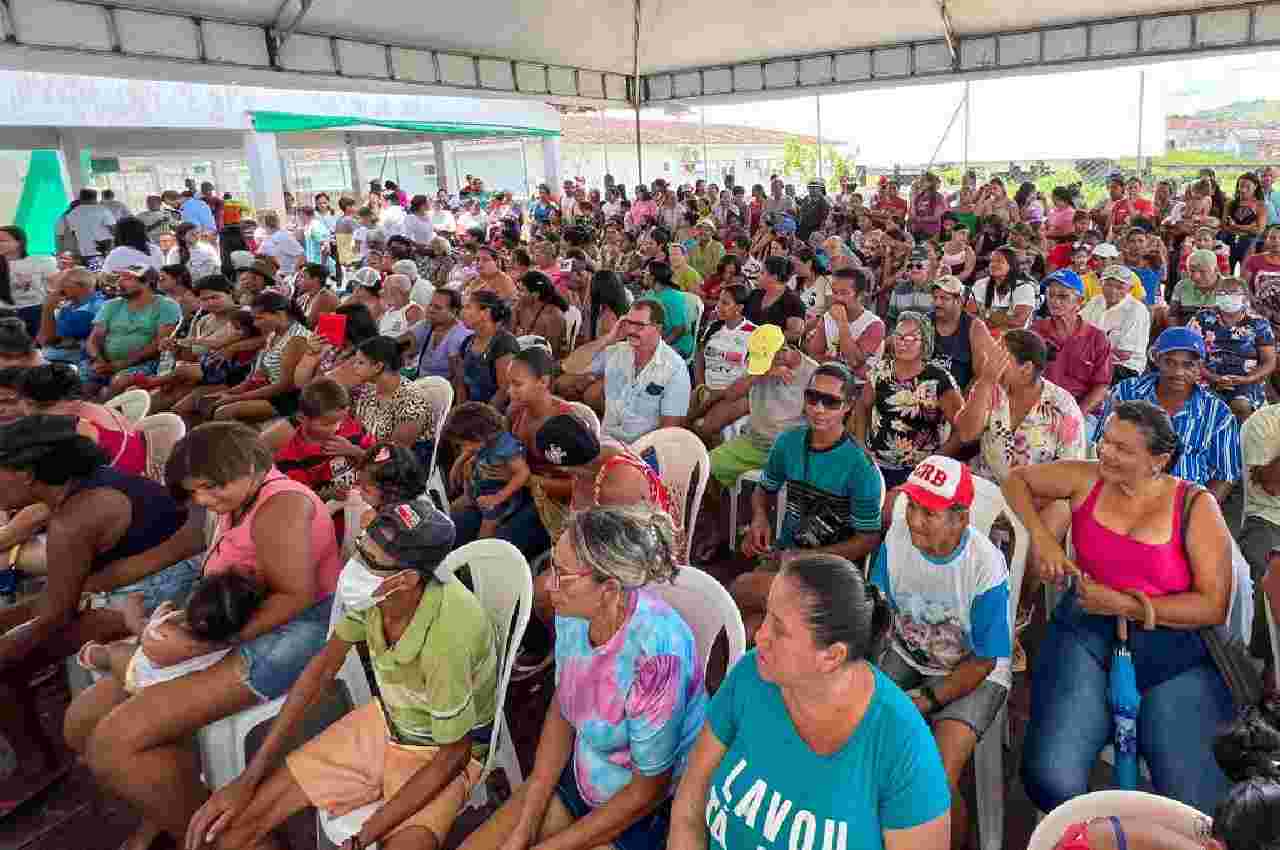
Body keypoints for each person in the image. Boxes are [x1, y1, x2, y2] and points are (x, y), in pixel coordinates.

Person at [72, 421, 338, 850]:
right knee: (82, 722)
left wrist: (204, 642)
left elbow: (295, 595)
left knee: (113, 745)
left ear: (250, 467)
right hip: (239, 623)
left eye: (213, 488)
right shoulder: (240, 499)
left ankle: (238, 840)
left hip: (290, 633)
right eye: (196, 492)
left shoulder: (280, 507)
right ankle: (173, 810)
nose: (204, 501)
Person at [189, 496, 495, 850]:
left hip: (441, 752)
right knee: (229, 834)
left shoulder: (449, 635)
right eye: (362, 547)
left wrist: (365, 836)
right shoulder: (376, 597)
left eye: (370, 561)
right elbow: (321, 669)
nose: (355, 563)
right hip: (387, 722)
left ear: (408, 579)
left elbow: (453, 754)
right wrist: (249, 777)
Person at [1005, 399, 1235, 814]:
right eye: (1106, 441)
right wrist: (1042, 539)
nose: (1105, 453)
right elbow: (1016, 481)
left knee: (1196, 803)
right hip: (1088, 631)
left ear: (1158, 460)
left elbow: (1213, 606)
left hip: (1173, 649)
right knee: (1051, 778)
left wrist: (1127, 605)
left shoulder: (1195, 506)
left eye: (1123, 449)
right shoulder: (1085, 478)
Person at [458, 505, 707, 850]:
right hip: (586, 772)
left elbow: (646, 790)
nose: (547, 585)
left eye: (562, 573)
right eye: (551, 567)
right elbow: (564, 707)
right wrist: (526, 825)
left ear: (608, 590)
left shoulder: (658, 657)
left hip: (643, 810)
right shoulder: (574, 613)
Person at [667, 555, 951, 850]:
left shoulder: (902, 747)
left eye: (779, 629)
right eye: (766, 616)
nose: (760, 635)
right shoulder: (752, 675)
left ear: (832, 656)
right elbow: (689, 805)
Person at [0, 415, 199, 789]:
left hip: (152, 603)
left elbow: (53, 615)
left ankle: (35, 766)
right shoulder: (93, 482)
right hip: (162, 584)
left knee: (5, 663)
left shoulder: (75, 519)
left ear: (26, 473)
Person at [871, 456, 1012, 850]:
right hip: (906, 652)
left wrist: (929, 699)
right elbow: (878, 610)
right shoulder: (897, 538)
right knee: (857, 737)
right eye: (912, 506)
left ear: (960, 519)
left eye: (928, 512)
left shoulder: (985, 566)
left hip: (972, 671)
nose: (914, 519)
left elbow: (985, 660)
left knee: (936, 777)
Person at [736, 363, 884, 637]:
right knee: (750, 629)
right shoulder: (788, 443)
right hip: (787, 557)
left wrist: (808, 556)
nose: (818, 408)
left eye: (830, 402)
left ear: (848, 405)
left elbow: (868, 539)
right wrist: (759, 518)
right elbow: (764, 489)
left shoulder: (860, 467)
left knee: (741, 591)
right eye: (812, 397)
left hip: (831, 574)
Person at [1100, 328, 1242, 502]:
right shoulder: (1126, 393)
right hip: (1121, 494)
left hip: (1182, 504)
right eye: (1170, 362)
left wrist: (1193, 513)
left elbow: (1225, 475)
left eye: (1188, 365)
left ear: (1200, 367)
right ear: (1157, 360)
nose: (1178, 372)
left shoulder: (1218, 414)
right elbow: (1101, 445)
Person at [76, 573, 262, 694]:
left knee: (116, 651)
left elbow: (144, 634)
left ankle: (99, 658)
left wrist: (133, 615)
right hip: (166, 681)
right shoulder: (220, 641)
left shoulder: (172, 634)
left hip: (141, 677)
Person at [855, 311, 964, 491]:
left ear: (925, 343)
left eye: (911, 338)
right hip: (877, 464)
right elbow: (862, 406)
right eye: (898, 336)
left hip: (918, 473)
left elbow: (961, 430)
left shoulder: (938, 379)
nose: (902, 343)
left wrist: (935, 462)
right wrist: (861, 447)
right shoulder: (882, 370)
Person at [561, 299, 691, 444]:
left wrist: (636, 456)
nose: (631, 330)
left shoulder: (674, 367)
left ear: (658, 328)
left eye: (639, 325)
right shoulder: (617, 351)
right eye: (629, 323)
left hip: (642, 451)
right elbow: (570, 366)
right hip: (606, 441)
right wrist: (609, 338)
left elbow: (669, 430)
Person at [443, 401, 548, 559]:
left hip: (501, 496)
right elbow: (473, 452)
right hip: (481, 486)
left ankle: (477, 562)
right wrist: (459, 463)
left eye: (465, 445)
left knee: (485, 533)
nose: (464, 449)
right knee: (452, 510)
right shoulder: (486, 440)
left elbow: (523, 474)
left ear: (479, 436)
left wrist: (498, 498)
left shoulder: (507, 447)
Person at [12, 362, 149, 476]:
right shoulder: (98, 409)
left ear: (30, 402)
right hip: (128, 481)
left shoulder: (69, 428)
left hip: (110, 492)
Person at [205, 292, 309, 422]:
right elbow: (259, 374)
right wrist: (231, 392)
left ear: (279, 314)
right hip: (272, 390)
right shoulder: (273, 335)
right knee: (207, 402)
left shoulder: (297, 339)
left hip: (289, 398)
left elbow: (285, 385)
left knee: (224, 412)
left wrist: (235, 397)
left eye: (259, 318)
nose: (255, 324)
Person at [1030, 269, 1113, 429]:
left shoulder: (1097, 338)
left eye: (1063, 296)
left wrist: (1075, 416)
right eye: (1051, 295)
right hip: (1038, 408)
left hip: (1081, 411)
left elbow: (1101, 387)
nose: (1054, 301)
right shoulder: (1035, 331)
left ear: (1079, 301)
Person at [1189, 276, 1276, 421]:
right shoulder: (1202, 318)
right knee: (1206, 406)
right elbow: (1190, 353)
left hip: (1247, 382)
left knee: (1241, 406)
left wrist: (1247, 379)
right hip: (1207, 378)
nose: (1227, 297)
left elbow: (1269, 361)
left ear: (1244, 297)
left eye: (1233, 293)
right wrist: (1213, 377)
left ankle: (1238, 442)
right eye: (1222, 293)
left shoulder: (1258, 323)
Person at [86, 264, 182, 397]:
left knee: (118, 382)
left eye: (127, 278)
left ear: (147, 283)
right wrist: (98, 360)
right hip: (105, 362)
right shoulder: (112, 305)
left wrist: (123, 364)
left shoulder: (166, 305)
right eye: (120, 277)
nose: (119, 282)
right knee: (80, 378)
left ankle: (109, 416)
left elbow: (160, 343)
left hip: (149, 362)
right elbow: (94, 339)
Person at [803, 267, 885, 386]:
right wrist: (842, 366)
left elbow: (853, 361)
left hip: (859, 388)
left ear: (860, 295)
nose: (837, 298)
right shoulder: (828, 317)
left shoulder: (875, 324)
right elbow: (814, 355)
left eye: (844, 293)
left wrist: (842, 321)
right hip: (830, 381)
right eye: (835, 292)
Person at [1081, 264, 1152, 383]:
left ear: (1129, 289)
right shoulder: (1096, 301)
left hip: (1124, 367)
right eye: (1108, 284)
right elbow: (1078, 328)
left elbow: (1124, 354)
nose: (1112, 291)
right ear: (1101, 284)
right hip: (1091, 360)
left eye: (1119, 287)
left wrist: (1088, 351)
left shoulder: (1137, 310)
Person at [931, 274, 994, 392]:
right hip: (924, 396)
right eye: (935, 298)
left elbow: (980, 375)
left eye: (944, 298)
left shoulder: (975, 327)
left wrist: (963, 405)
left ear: (960, 301)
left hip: (962, 395)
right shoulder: (926, 322)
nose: (937, 303)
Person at [457, 291, 519, 408]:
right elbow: (461, 383)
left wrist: (481, 416)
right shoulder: (467, 342)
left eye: (468, 307)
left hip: (495, 414)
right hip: (471, 410)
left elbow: (504, 390)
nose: (462, 312)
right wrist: (462, 411)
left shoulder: (504, 343)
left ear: (485, 313)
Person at [37, 266, 103, 374]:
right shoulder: (67, 306)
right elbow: (42, 339)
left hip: (74, 360)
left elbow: (49, 339)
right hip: (52, 356)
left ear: (81, 286)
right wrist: (48, 309)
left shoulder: (95, 307)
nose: (59, 289)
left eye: (63, 284)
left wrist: (47, 309)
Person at [0, 225, 57, 337]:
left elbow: (54, 288)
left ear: (19, 242)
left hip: (35, 311)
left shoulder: (42, 261)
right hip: (4, 314)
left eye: (2, 240)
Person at [409, 288, 472, 381]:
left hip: (442, 390)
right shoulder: (427, 325)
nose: (431, 310)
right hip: (420, 385)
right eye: (430, 305)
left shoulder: (459, 336)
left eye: (437, 307)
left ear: (453, 312)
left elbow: (458, 379)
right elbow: (401, 345)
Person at [744, 256, 805, 343]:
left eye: (762, 273)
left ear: (774, 277)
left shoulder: (794, 303)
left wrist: (766, 340)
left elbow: (794, 335)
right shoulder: (755, 294)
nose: (757, 276)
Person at [642, 261, 693, 360]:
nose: (643, 274)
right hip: (656, 340)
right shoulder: (649, 294)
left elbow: (679, 329)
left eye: (645, 272)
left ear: (652, 278)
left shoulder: (674, 298)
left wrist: (660, 347)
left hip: (678, 344)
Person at [514, 271, 570, 357]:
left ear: (535, 294)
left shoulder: (554, 316)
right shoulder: (522, 306)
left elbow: (551, 352)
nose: (517, 294)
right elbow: (509, 331)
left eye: (522, 291)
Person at [57, 189, 116, 266]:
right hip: (103, 250)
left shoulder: (72, 213)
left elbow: (73, 233)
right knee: (103, 275)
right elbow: (113, 230)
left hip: (84, 252)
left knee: (90, 274)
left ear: (80, 198)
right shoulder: (102, 210)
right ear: (95, 198)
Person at [258, 210, 304, 275]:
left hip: (285, 275)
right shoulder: (268, 238)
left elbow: (301, 255)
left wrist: (293, 273)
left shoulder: (283, 236)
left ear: (263, 223)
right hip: (276, 275)